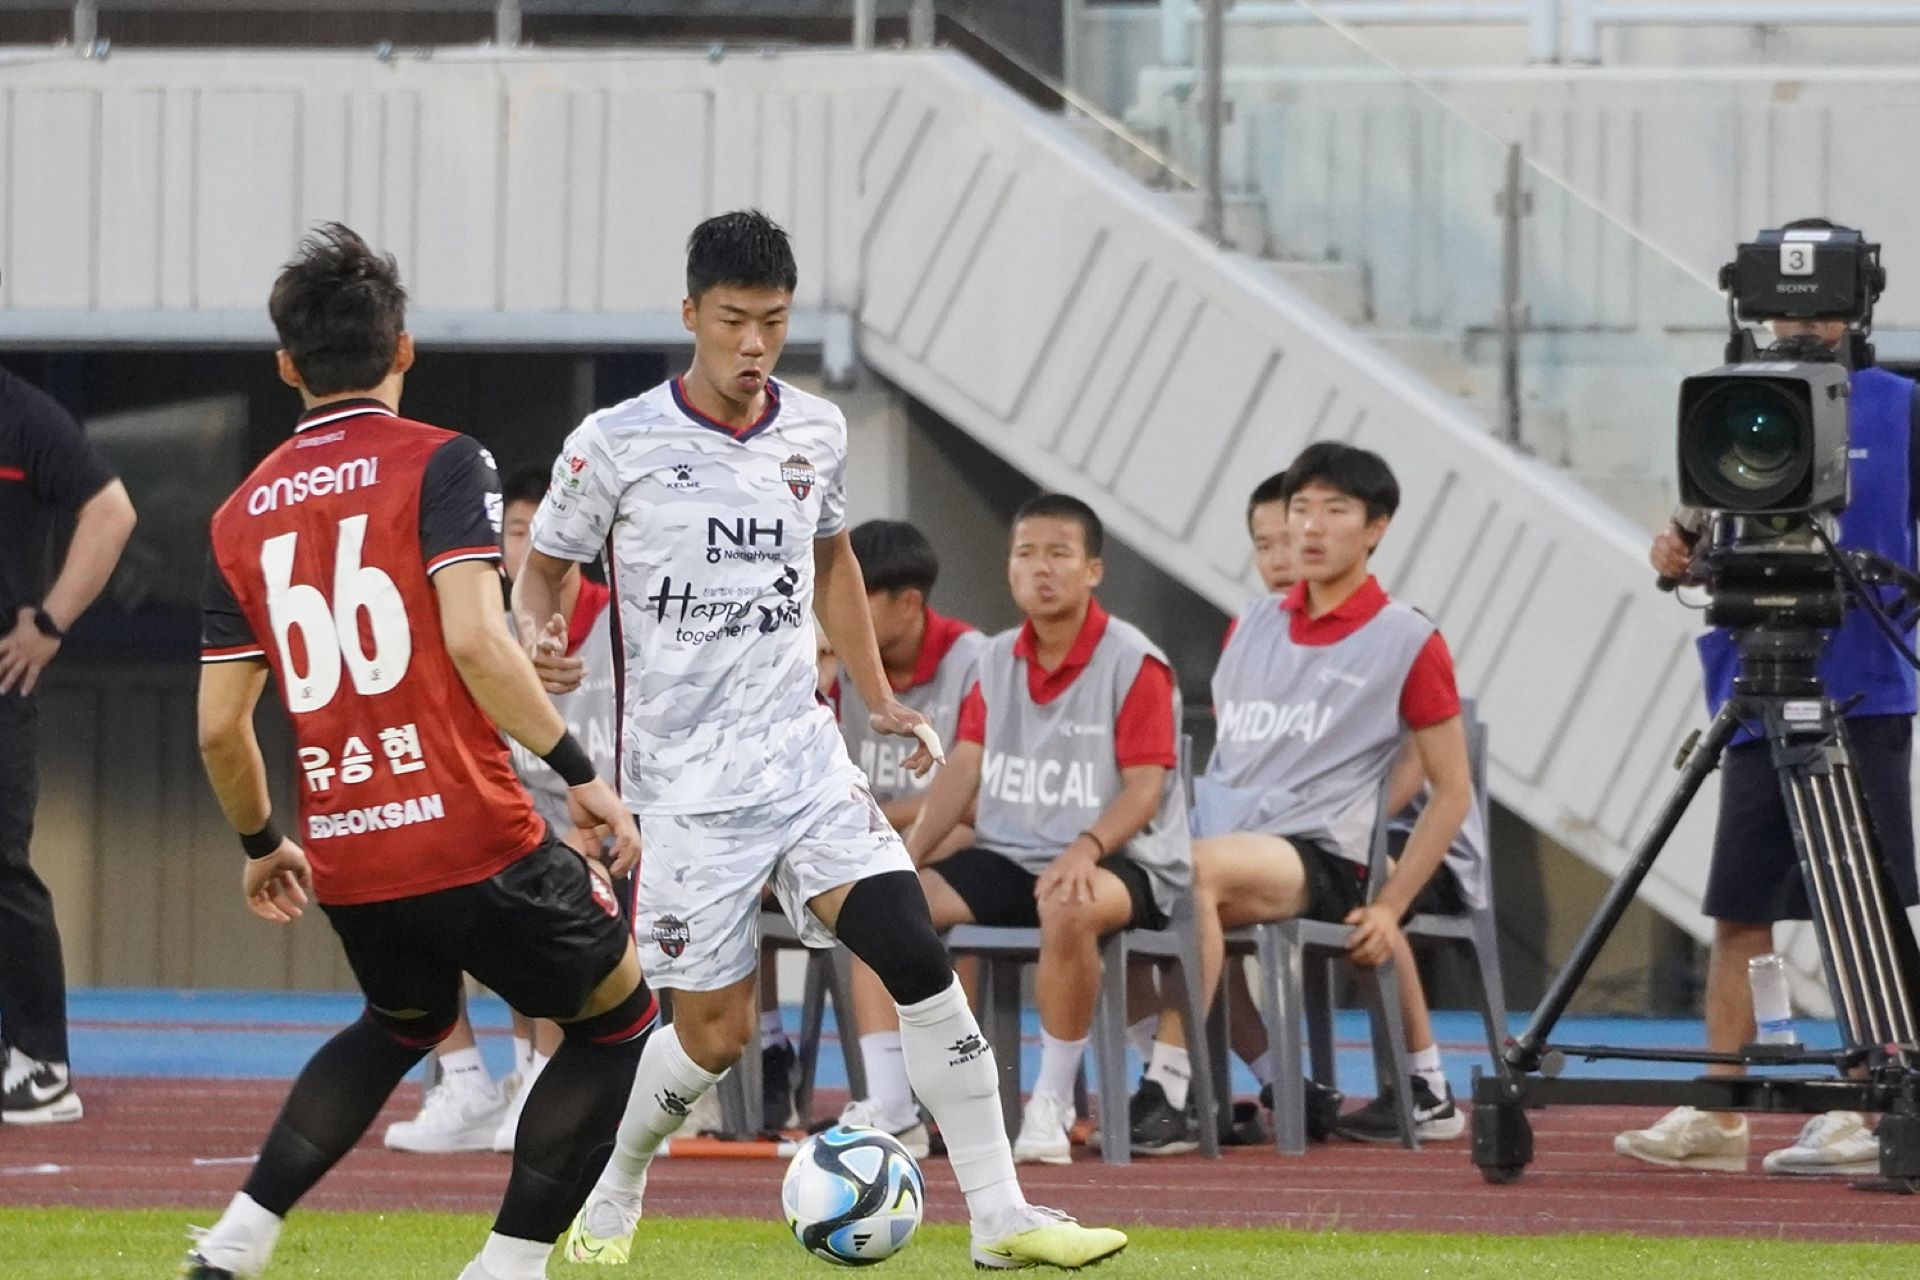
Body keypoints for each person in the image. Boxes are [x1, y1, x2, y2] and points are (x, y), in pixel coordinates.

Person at [518, 210, 1125, 1270]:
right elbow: (548, 568)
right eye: (734, 321)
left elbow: (835, 559)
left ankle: (1000, 1213)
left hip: (804, 761)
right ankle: (617, 1179)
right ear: (691, 315)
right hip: (688, 788)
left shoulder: (815, 430)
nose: (755, 345)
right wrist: (537, 636)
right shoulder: (613, 444)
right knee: (713, 1033)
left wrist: (880, 696)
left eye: (775, 322)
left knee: (915, 954)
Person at [184, 224, 656, 1280]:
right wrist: (582, 777)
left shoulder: (237, 515)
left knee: (399, 1020)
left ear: (285, 365)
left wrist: (265, 840)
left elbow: (220, 724)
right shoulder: (446, 459)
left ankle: (236, 1238)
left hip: (350, 847)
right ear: (404, 348)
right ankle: (509, 1262)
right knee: (621, 1022)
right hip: (470, 827)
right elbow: (479, 638)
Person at [1621, 221, 1920, 1177]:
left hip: (1865, 692)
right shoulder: (1729, 402)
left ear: (1859, 308)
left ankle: (1870, 1108)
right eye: (1784, 306)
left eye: (1823, 307)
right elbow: (1694, 526)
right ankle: (1720, 1107)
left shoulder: (1904, 407)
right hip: (1757, 687)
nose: (1801, 326)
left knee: (1860, 908)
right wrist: (1673, 545)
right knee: (1741, 909)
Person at [1127, 443, 1474, 1154]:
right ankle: (1263, 1081)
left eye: (1335, 511)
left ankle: (1167, 1091)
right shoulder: (1250, 624)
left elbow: (1452, 791)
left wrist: (1388, 904)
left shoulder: (1409, 639)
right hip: (1228, 840)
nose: (1310, 528)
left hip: (1323, 855)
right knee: (1117, 886)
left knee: (1193, 875)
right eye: (1301, 510)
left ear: (1376, 528)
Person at [866, 492, 1189, 1166]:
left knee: (1065, 899)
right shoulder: (997, 659)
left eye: (1058, 554)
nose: (1040, 568)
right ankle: (896, 1109)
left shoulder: (1136, 662)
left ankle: (1050, 1103)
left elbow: (1146, 787)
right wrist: (908, 857)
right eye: (1025, 554)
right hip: (1013, 854)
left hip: (1122, 860)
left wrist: (1087, 847)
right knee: (881, 903)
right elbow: (965, 768)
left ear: (1092, 569)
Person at [383, 464, 621, 1156]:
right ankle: (468, 1084)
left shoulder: (623, 621)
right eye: (515, 530)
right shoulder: (477, 627)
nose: (529, 545)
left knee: (548, 873)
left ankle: (545, 1080)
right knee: (402, 871)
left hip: (618, 828)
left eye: (543, 530)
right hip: (518, 821)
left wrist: (599, 814)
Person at [0, 364, 137, 1126]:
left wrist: (49, 625)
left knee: (2, 868)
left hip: (2, 680)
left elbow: (112, 512)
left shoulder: (26, 417)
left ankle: (42, 1065)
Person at [833, 518, 987, 1151]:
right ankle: (778, 1064)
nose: (841, 611)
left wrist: (880, 824)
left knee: (879, 891)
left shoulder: (974, 659)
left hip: (961, 839)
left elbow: (969, 797)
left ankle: (924, 1104)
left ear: (909, 602)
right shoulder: (837, 663)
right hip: (871, 833)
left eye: (859, 594)